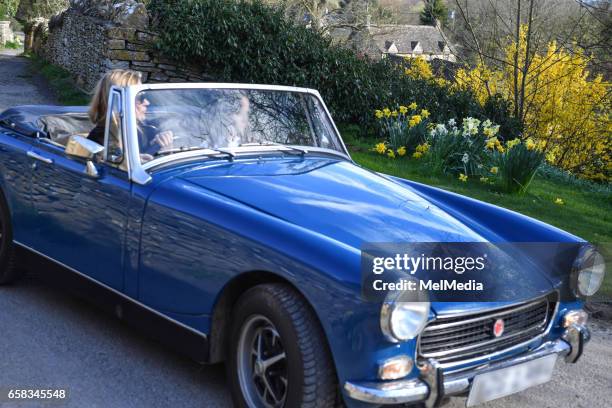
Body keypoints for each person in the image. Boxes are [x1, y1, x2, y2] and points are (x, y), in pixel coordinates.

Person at [87, 69, 173, 160]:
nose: (147, 102)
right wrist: (127, 162)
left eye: (146, 96)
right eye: (141, 97)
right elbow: (107, 167)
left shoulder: (146, 129)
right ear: (119, 101)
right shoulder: (99, 139)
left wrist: (166, 145)